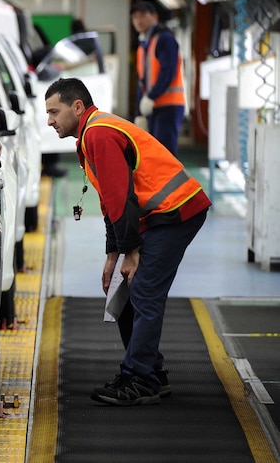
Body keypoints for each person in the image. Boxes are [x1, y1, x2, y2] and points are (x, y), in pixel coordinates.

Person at [44, 77, 211, 406]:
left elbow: (121, 200)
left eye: (54, 112)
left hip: (176, 212)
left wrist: (130, 252)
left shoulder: (99, 133)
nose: (49, 121)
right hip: (159, 215)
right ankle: (150, 371)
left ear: (78, 107)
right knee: (127, 291)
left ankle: (140, 378)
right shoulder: (92, 132)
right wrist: (113, 255)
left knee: (145, 291)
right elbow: (111, 201)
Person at [130, 1, 186, 156]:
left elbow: (168, 71)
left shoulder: (165, 39)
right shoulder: (143, 45)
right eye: (135, 17)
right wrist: (139, 114)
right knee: (154, 155)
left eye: (142, 16)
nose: (138, 21)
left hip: (168, 106)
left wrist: (152, 96)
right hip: (153, 108)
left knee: (165, 155)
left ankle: (172, 181)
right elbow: (142, 82)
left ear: (154, 17)